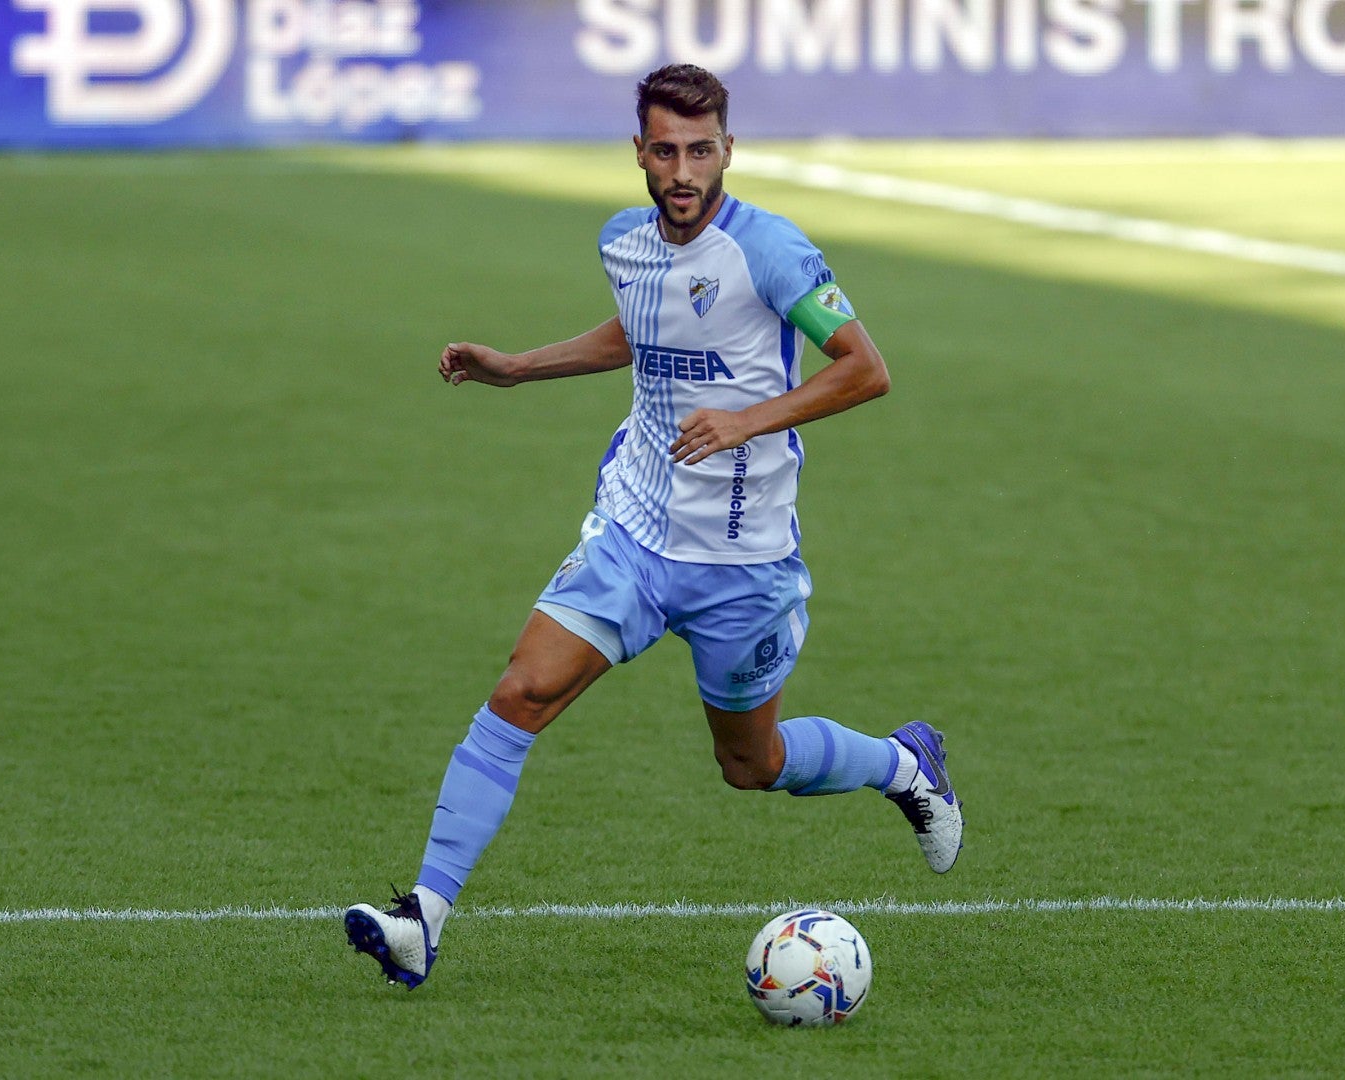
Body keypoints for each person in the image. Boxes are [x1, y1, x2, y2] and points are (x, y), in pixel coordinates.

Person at [345, 63, 962, 989]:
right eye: (665, 150)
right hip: (632, 534)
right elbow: (642, 329)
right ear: (638, 151)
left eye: (700, 151)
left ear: (727, 151)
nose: (682, 171)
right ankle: (421, 922)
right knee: (521, 693)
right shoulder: (624, 242)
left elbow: (865, 369)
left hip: (743, 564)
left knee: (751, 765)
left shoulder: (774, 252)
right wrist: (517, 367)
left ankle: (902, 766)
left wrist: (746, 419)